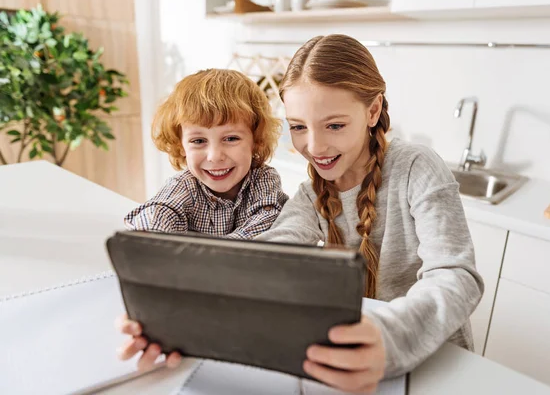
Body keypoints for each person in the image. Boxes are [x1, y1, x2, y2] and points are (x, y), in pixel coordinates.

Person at [117, 35, 484, 394]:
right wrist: (175, 317)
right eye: (298, 127)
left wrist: (387, 338)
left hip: (437, 364)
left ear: (372, 110)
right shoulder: (311, 195)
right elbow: (265, 256)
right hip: (351, 361)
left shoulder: (417, 167)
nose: (315, 146)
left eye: (335, 125)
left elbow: (456, 276)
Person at [123, 69, 288, 238]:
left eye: (231, 139)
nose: (214, 156)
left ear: (256, 141)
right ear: (181, 146)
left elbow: (268, 220)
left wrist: (214, 252)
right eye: (199, 141)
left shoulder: (263, 179)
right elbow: (155, 216)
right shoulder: (184, 187)